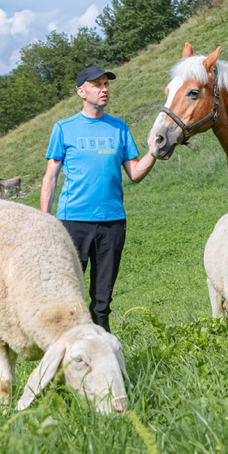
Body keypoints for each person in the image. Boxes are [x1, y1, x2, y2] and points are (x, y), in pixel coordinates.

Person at [40, 65, 156, 331]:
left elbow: (135, 173)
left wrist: (154, 151)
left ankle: (102, 358)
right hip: (73, 222)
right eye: (97, 85)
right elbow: (50, 177)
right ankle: (65, 356)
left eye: (106, 84)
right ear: (81, 91)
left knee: (102, 301)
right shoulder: (64, 128)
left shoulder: (119, 127)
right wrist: (45, 220)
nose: (104, 89)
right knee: (68, 296)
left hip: (112, 222)